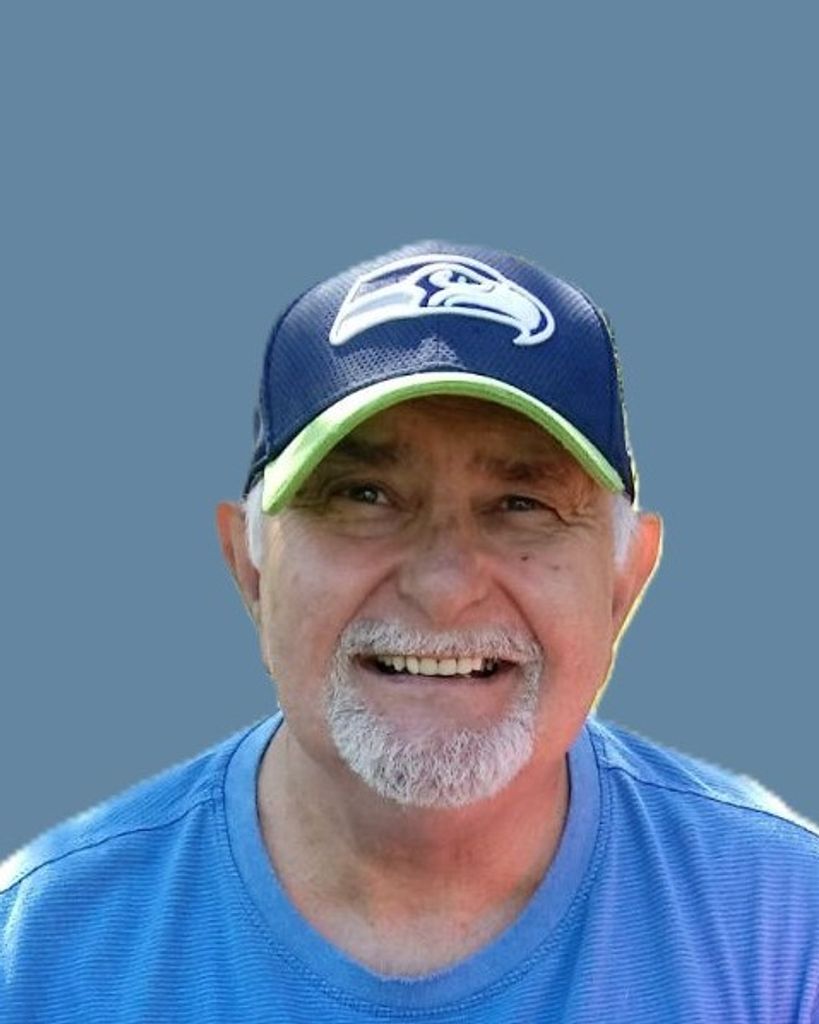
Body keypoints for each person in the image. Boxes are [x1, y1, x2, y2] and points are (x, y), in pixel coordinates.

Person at [2, 241, 818, 1023]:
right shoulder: (36, 952)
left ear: (623, 582)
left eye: (521, 504)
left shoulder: (786, 929)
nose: (443, 586)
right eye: (362, 496)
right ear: (248, 567)